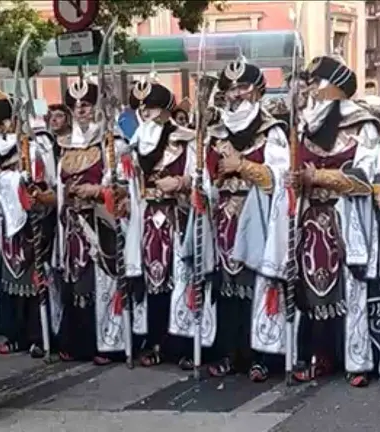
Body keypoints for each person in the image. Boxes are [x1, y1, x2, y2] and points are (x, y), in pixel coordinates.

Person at [287, 56, 380, 387]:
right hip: (310, 217)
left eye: (317, 82)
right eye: (310, 82)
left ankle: (356, 359)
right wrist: (294, 180)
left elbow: (366, 178)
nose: (311, 89)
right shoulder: (303, 126)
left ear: (335, 86)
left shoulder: (363, 124)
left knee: (351, 287)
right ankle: (316, 355)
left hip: (347, 217)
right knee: (309, 287)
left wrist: (320, 176)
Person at [203, 58, 289, 382]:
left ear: (258, 91)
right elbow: (207, 177)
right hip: (223, 217)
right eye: (231, 89)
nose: (236, 94)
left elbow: (277, 177)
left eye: (243, 87)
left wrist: (242, 166)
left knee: (258, 286)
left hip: (260, 217)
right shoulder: (215, 132)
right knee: (227, 289)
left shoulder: (272, 131)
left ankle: (262, 357)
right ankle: (230, 353)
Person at [123, 77, 197, 368]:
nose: (146, 113)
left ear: (166, 109)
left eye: (152, 107)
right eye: (142, 109)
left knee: (181, 279)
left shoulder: (186, 140)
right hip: (147, 219)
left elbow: (200, 178)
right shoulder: (134, 145)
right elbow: (128, 184)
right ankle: (154, 341)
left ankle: (184, 344)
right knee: (152, 282)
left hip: (177, 217)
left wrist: (180, 182)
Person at [55, 77, 129, 365]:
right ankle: (77, 343)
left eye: (86, 105)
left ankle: (108, 344)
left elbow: (125, 187)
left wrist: (98, 191)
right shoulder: (65, 146)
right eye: (75, 106)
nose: (80, 111)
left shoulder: (114, 143)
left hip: (101, 223)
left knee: (102, 282)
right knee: (76, 282)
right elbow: (58, 184)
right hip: (73, 224)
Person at [0, 91, 57, 358]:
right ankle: (16, 334)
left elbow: (44, 181)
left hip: (32, 220)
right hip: (6, 221)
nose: (2, 128)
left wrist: (28, 183)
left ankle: (39, 335)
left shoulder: (35, 144)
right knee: (10, 279)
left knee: (34, 278)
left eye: (5, 123)